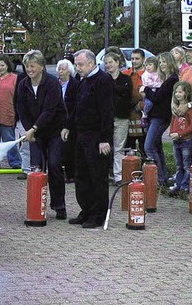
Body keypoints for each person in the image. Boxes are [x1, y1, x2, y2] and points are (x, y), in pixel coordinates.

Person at [61, 49, 113, 229]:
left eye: (81, 64)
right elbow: (77, 106)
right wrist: (68, 125)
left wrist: (105, 139)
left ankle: (98, 214)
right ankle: (86, 210)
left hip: (97, 136)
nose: (78, 68)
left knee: (97, 176)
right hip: (81, 135)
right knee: (81, 174)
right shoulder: (82, 82)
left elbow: (107, 112)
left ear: (92, 63)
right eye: (76, 65)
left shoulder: (103, 81)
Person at [16, 50, 67, 220]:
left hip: (54, 131)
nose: (29, 69)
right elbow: (21, 110)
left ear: (41, 67)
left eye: (32, 66)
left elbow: (50, 110)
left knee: (54, 165)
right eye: (27, 66)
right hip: (35, 134)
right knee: (36, 169)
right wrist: (29, 129)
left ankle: (59, 206)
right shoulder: (23, 85)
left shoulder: (52, 83)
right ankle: (36, 206)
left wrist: (34, 128)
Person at [143, 52, 179, 187]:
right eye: (161, 62)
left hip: (161, 117)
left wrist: (146, 90)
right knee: (157, 147)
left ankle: (156, 176)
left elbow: (157, 98)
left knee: (149, 147)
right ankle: (163, 177)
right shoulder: (163, 78)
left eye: (164, 62)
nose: (162, 65)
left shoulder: (172, 80)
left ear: (170, 63)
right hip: (154, 115)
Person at [104, 52, 132, 185]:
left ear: (117, 62)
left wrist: (116, 91)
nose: (108, 65)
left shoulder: (126, 79)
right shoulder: (104, 79)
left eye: (111, 62)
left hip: (121, 117)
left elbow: (126, 94)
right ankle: (104, 173)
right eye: (106, 63)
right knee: (105, 146)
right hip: (106, 118)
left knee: (119, 147)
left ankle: (118, 175)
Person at [169, 81, 192, 197]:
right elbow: (173, 121)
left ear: (186, 93)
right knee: (178, 164)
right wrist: (171, 132)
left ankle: (185, 186)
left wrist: (180, 134)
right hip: (176, 140)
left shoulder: (190, 109)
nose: (177, 94)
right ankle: (178, 184)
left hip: (186, 140)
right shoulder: (175, 108)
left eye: (180, 92)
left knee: (186, 164)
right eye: (176, 92)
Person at [57, 59, 79, 183]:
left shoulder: (75, 85)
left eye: (63, 69)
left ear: (69, 71)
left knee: (70, 148)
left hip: (72, 120)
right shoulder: (55, 84)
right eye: (59, 69)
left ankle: (71, 174)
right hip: (58, 121)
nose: (61, 71)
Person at [122, 49, 147, 155]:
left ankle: (145, 169)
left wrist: (142, 105)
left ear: (143, 59)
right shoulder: (125, 74)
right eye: (132, 58)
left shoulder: (148, 75)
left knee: (144, 147)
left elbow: (154, 95)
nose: (134, 61)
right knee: (128, 148)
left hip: (143, 116)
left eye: (137, 59)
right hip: (127, 115)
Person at [140, 56, 163, 128]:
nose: (148, 67)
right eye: (146, 65)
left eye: (150, 65)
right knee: (149, 104)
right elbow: (149, 84)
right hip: (148, 95)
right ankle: (144, 115)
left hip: (155, 93)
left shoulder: (158, 73)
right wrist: (159, 85)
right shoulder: (146, 75)